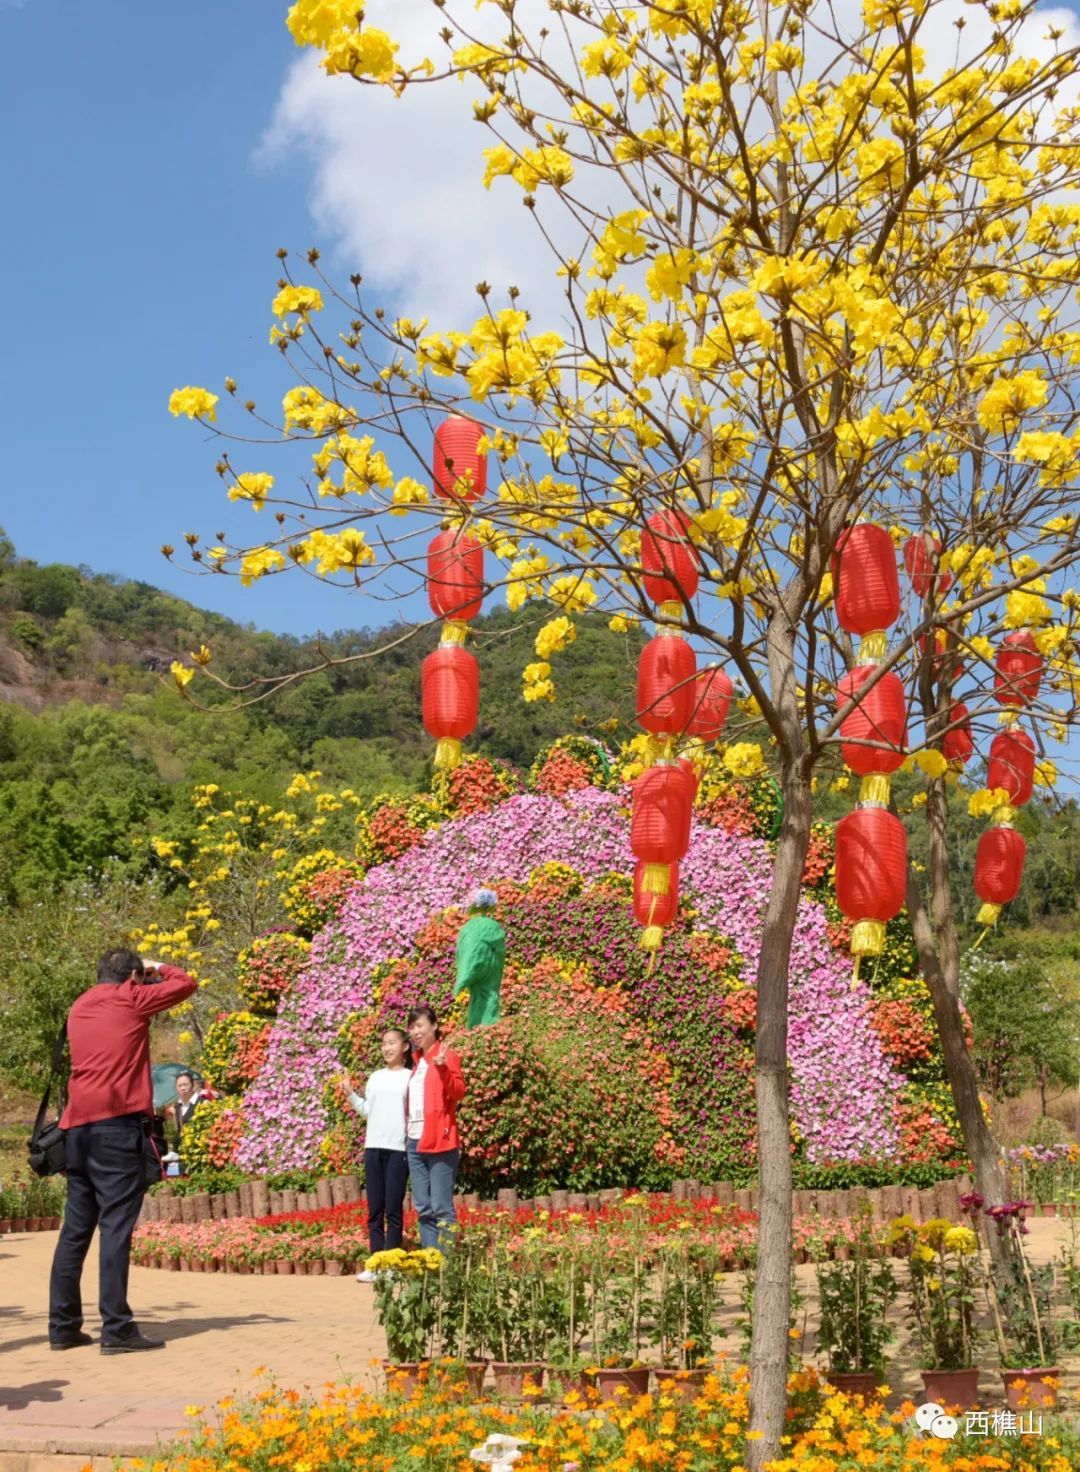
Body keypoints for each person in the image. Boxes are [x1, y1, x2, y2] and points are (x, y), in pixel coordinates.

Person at [48, 949, 197, 1354]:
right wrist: (157, 967)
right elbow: (185, 983)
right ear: (132, 975)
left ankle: (62, 1326)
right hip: (116, 1128)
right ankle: (116, 1328)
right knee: (115, 1229)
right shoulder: (130, 998)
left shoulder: (79, 1005)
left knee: (75, 1231)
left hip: (77, 1131)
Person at [342, 1028, 411, 1282]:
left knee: (393, 1209)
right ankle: (375, 1264)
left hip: (398, 1149)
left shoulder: (410, 1077)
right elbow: (367, 1111)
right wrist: (350, 1094)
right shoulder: (375, 1078)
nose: (387, 1048)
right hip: (373, 1148)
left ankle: (391, 1264)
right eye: (384, 1043)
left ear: (404, 1047)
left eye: (392, 1043)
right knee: (375, 1209)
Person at [405, 1005, 465, 1251]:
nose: (415, 1032)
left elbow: (458, 1092)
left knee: (441, 1206)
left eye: (420, 1026)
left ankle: (447, 1268)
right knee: (423, 1207)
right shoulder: (417, 1062)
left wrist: (442, 1068)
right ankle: (432, 1262)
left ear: (434, 1026)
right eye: (412, 1028)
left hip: (440, 1140)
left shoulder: (446, 1055)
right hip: (414, 1141)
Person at [453, 888, 506, 1028]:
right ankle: (486, 1032)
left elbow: (462, 951)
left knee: (477, 1000)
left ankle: (475, 1033)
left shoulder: (467, 927)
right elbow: (499, 948)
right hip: (489, 976)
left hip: (476, 976)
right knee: (489, 1000)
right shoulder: (493, 926)